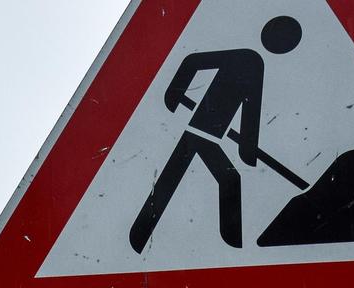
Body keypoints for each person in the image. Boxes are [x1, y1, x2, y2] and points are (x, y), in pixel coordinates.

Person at [128, 16, 302, 254]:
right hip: (198, 132)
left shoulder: (253, 63)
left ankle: (230, 245)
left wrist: (247, 149)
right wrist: (174, 93)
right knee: (202, 178)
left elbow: (250, 111)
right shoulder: (247, 59)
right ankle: (231, 246)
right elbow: (193, 62)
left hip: (209, 137)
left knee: (201, 178)